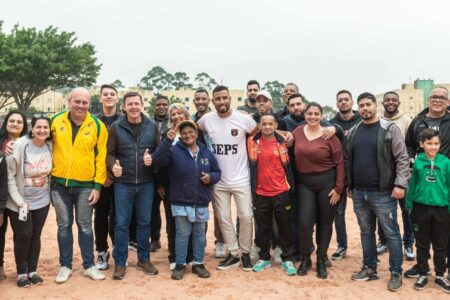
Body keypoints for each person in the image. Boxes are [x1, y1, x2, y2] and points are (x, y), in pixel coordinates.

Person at [346, 92, 409, 292]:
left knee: (391, 233)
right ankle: (370, 267)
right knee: (366, 232)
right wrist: (350, 184)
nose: (365, 108)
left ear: (375, 106)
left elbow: (402, 158)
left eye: (368, 104)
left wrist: (400, 184)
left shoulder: (389, 128)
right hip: (359, 193)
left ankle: (396, 272)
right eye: (361, 105)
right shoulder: (355, 130)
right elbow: (349, 159)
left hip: (382, 193)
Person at [151, 120, 221, 280]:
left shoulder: (206, 152)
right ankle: (180, 264)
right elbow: (156, 159)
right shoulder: (174, 150)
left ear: (196, 133)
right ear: (180, 136)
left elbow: (217, 172)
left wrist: (211, 177)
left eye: (191, 132)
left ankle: (198, 263)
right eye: (183, 133)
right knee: (182, 234)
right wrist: (167, 140)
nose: (187, 135)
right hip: (181, 201)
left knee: (199, 234)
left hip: (201, 201)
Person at [50, 87, 107, 283]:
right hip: (59, 185)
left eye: (85, 102)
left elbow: (101, 159)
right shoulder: (55, 121)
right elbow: (38, 140)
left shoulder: (98, 126)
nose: (81, 106)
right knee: (63, 226)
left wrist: (97, 186)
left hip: (85, 186)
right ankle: (65, 266)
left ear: (90, 104)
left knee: (84, 226)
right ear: (69, 101)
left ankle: (89, 265)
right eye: (77, 101)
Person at [198, 85, 257, 272]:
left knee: (246, 216)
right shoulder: (207, 120)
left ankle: (246, 253)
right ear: (213, 101)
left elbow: (257, 133)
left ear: (230, 98)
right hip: (219, 180)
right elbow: (194, 131)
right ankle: (233, 253)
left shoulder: (243, 119)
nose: (221, 102)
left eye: (224, 98)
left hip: (241, 178)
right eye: (218, 99)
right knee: (223, 218)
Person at [107, 92, 160, 279]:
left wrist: (151, 159)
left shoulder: (152, 126)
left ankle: (143, 259)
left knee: (144, 223)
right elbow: (109, 153)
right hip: (123, 183)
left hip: (146, 183)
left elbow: (159, 153)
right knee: (121, 224)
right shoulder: (116, 127)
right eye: (130, 104)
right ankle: (120, 263)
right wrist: (113, 165)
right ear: (124, 106)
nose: (134, 107)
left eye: (137, 103)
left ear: (142, 104)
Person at [293, 103, 345, 279]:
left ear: (322, 116)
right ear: (305, 114)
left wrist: (339, 188)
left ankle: (321, 259)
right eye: (310, 113)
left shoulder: (329, 134)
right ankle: (306, 257)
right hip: (305, 183)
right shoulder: (298, 132)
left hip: (327, 183)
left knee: (325, 223)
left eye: (316, 114)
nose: (313, 116)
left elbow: (340, 162)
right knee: (305, 223)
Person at [404, 86, 450, 279]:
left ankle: (443, 270)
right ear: (428, 99)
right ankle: (422, 267)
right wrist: (412, 159)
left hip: (444, 181)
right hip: (423, 181)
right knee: (422, 236)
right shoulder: (418, 121)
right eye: (434, 96)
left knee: (444, 235)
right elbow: (408, 145)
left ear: (448, 101)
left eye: (442, 97)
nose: (438, 100)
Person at [247, 113, 297, 276]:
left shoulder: (284, 141)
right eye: (264, 124)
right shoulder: (252, 141)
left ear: (276, 125)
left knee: (284, 226)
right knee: (263, 228)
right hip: (260, 192)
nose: (267, 126)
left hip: (281, 191)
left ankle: (287, 258)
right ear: (259, 126)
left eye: (270, 123)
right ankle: (264, 258)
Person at [6, 115, 52, 287]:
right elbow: (11, 176)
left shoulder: (50, 146)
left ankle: (32, 270)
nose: (41, 130)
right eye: (38, 127)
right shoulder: (19, 145)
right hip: (20, 202)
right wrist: (19, 201)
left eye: (45, 128)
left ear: (49, 131)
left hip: (42, 200)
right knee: (23, 235)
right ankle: (21, 273)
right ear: (32, 129)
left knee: (36, 235)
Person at [377, 91, 414, 261]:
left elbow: (411, 146)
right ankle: (383, 241)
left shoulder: (407, 121)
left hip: (402, 173)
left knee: (406, 211)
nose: (390, 102)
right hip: (383, 175)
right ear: (382, 103)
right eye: (387, 100)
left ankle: (408, 244)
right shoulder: (378, 120)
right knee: (382, 210)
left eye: (394, 100)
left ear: (399, 102)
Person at [329, 90, 361, 261]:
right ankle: (342, 246)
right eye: (340, 100)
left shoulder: (362, 120)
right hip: (340, 174)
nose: (343, 102)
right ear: (336, 103)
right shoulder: (331, 124)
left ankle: (379, 244)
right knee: (338, 213)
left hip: (360, 174)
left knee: (366, 214)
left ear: (352, 102)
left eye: (346, 100)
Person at [94, 84, 121, 270]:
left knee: (119, 216)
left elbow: (125, 150)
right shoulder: (93, 121)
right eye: (106, 94)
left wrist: (114, 172)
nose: (109, 97)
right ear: (100, 98)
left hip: (120, 177)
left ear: (117, 99)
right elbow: (92, 151)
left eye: (112, 94)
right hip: (100, 179)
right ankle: (102, 252)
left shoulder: (125, 120)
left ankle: (119, 250)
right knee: (101, 215)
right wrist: (103, 174)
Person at [0, 110, 28, 280]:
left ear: (24, 126)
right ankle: (0, 266)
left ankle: (22, 269)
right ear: (6, 122)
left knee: (22, 234)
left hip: (19, 198)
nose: (15, 124)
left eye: (19, 121)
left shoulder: (29, 143)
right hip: (1, 197)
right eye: (12, 120)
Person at [149, 94, 170, 253]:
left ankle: (173, 240)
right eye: (158, 104)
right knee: (152, 209)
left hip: (169, 173)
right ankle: (155, 239)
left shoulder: (174, 123)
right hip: (151, 172)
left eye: (164, 104)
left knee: (171, 210)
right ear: (154, 107)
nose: (161, 107)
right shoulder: (148, 123)